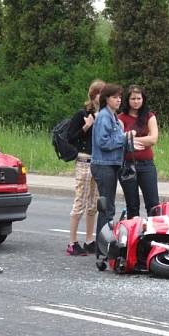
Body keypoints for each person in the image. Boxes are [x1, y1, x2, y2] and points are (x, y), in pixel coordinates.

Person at [91, 83, 135, 257]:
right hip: (103, 165)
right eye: (115, 97)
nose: (118, 100)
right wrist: (124, 139)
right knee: (106, 207)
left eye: (119, 97)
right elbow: (103, 142)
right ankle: (103, 247)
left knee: (108, 205)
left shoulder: (113, 116)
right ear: (106, 99)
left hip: (110, 164)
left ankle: (103, 245)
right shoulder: (104, 117)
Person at [65, 79, 105, 256]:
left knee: (94, 204)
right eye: (100, 93)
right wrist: (86, 126)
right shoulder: (82, 114)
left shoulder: (104, 115)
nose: (103, 97)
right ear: (93, 95)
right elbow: (70, 137)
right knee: (80, 201)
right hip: (83, 161)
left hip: (98, 162)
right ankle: (72, 242)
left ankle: (89, 240)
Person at [117, 85, 159, 218]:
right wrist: (132, 141)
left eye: (139, 98)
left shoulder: (149, 116)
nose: (136, 101)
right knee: (132, 204)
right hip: (127, 166)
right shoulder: (121, 118)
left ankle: (155, 233)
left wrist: (132, 140)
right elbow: (120, 140)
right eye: (133, 98)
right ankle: (132, 234)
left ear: (143, 99)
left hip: (147, 165)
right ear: (128, 100)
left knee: (153, 203)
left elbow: (153, 139)